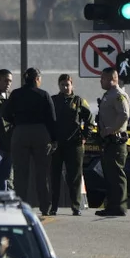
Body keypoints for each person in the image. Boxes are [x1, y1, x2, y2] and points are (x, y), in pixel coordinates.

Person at [2, 68, 57, 214]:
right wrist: (54, 139)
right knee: (42, 173)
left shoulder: (15, 94)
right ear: (37, 79)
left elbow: (5, 114)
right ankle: (45, 207)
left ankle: (21, 206)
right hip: (41, 133)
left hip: (20, 133)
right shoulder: (44, 94)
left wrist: (17, 121)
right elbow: (52, 119)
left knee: (20, 173)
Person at [49, 74, 93, 216]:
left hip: (74, 144)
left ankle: (76, 206)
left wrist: (85, 135)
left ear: (72, 85)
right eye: (62, 85)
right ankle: (53, 207)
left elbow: (89, 119)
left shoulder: (79, 101)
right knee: (54, 176)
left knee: (74, 176)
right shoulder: (53, 100)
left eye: (67, 84)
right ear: (59, 86)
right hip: (57, 143)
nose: (65, 87)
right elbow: (47, 119)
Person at [96, 67, 130, 217]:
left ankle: (119, 206)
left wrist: (110, 130)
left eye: (103, 78)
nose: (100, 81)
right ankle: (112, 206)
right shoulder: (108, 95)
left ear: (112, 79)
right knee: (110, 175)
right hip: (108, 142)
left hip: (116, 141)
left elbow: (124, 115)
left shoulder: (118, 95)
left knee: (116, 175)